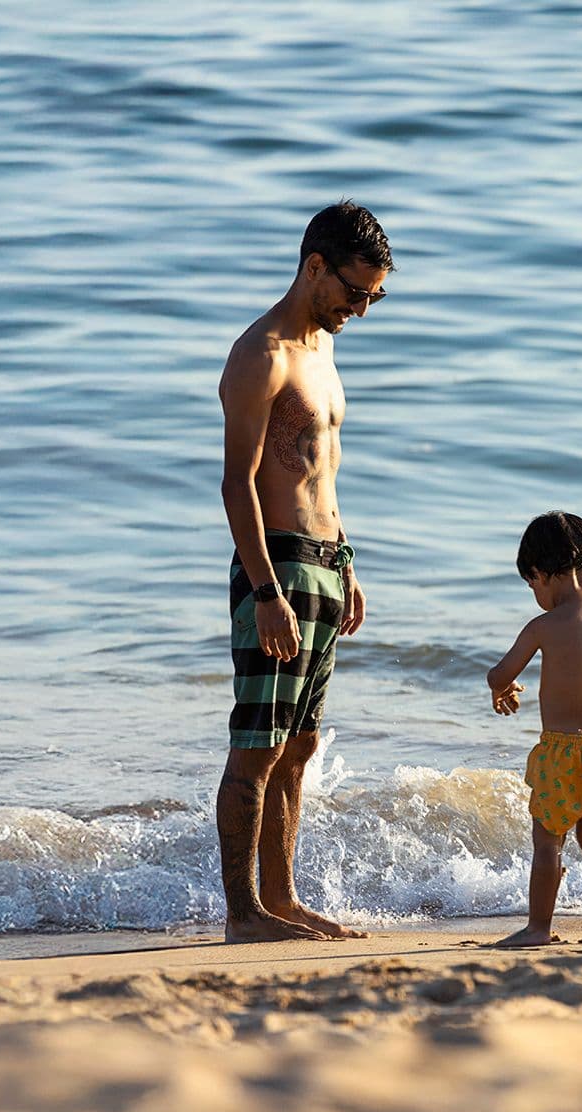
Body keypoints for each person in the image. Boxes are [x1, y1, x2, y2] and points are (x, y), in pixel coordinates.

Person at [215, 201, 392, 943]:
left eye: (374, 297)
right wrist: (266, 591)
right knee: (257, 745)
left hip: (323, 564)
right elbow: (239, 482)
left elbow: (322, 471)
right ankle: (243, 911)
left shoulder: (322, 348)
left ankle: (282, 898)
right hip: (278, 565)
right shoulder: (262, 354)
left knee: (299, 746)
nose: (361, 307)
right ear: (314, 266)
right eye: (355, 291)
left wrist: (346, 560)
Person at [486, 512, 582, 946]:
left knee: (548, 842)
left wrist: (503, 690)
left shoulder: (543, 627)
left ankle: (538, 927)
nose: (535, 592)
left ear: (541, 574)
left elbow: (500, 673)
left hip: (560, 753)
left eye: (532, 584)